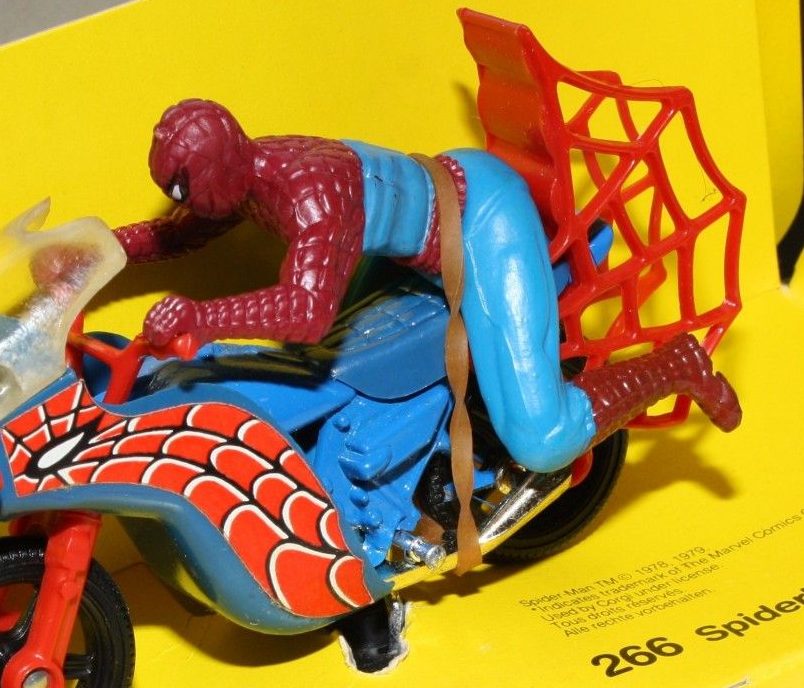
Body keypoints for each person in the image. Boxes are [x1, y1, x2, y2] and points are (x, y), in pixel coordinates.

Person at [111, 99, 742, 475]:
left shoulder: (307, 192)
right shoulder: (247, 173)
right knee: (333, 375)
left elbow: (305, 310)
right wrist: (102, 249)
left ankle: (676, 364)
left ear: (223, 166)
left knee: (541, 438)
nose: (182, 202)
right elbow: (179, 234)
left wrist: (200, 317)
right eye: (174, 190)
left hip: (476, 221)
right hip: (413, 235)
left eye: (185, 188)